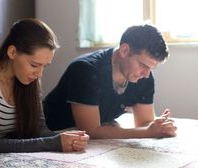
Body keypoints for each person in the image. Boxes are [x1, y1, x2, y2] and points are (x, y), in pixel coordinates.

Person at [0, 18, 89, 152]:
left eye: (44, 66)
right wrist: (54, 143)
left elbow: (40, 132)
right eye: (34, 65)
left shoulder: (28, 79)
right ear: (12, 52)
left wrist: (68, 138)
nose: (39, 74)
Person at [43, 24, 177, 139]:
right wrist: (147, 132)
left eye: (151, 68)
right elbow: (91, 131)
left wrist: (159, 127)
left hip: (94, 129)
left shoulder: (142, 76)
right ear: (124, 50)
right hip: (54, 131)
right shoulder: (86, 69)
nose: (147, 74)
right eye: (143, 65)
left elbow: (144, 124)